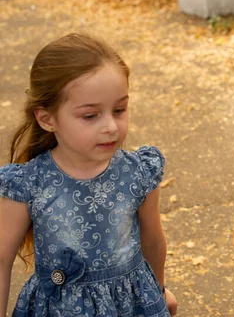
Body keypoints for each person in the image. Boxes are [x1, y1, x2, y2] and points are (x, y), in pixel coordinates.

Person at [0, 33, 178, 316]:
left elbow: (153, 241)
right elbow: (2, 258)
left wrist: (158, 290)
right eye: (90, 116)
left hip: (130, 306)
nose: (110, 126)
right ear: (47, 119)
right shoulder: (28, 184)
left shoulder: (139, 173)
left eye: (119, 110)